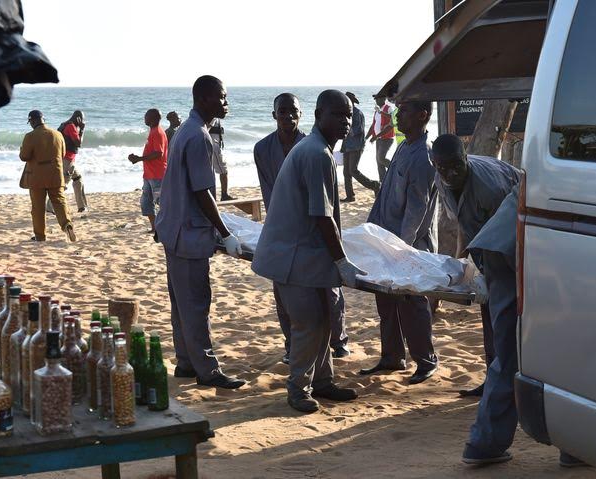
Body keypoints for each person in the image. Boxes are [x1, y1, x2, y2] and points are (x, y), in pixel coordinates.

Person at [251, 90, 363, 413]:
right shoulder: (317, 154)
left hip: (303, 254)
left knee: (325, 319)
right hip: (292, 256)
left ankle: (324, 382)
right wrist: (342, 262)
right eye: (337, 115)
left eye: (349, 116)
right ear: (318, 115)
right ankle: (298, 388)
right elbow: (322, 216)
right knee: (309, 322)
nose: (345, 122)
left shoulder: (316, 149)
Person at [461, 188, 585, 469]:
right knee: (565, 347)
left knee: (508, 352)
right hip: (527, 245)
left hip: (498, 244)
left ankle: (484, 442)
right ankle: (575, 444)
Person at [155, 75, 245, 390]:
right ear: (204, 99)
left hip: (173, 230)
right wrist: (225, 233)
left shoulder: (186, 131)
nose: (226, 102)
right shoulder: (199, 136)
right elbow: (203, 192)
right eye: (222, 97)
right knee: (195, 303)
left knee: (181, 302)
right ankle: (207, 370)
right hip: (188, 234)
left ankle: (185, 361)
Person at [432, 134, 520, 397]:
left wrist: (491, 275)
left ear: (466, 158)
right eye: (443, 167)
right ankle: (493, 380)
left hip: (515, 243)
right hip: (489, 245)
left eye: (456, 165)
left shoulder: (490, 189)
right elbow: (465, 223)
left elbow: (509, 236)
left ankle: (508, 384)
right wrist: (463, 265)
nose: (451, 173)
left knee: (505, 316)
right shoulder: (440, 177)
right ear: (435, 164)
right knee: (489, 316)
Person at [360, 101, 439, 384]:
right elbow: (384, 195)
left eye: (404, 111)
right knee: (386, 300)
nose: (398, 115)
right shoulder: (405, 146)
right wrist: (372, 230)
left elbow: (417, 210)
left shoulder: (423, 156)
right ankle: (392, 357)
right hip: (386, 237)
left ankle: (426, 360)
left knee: (411, 302)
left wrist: (400, 249)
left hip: (408, 243)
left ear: (423, 115)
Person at [19, 110, 76, 242]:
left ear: (32, 121)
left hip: (36, 177)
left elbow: (24, 156)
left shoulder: (30, 136)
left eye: (30, 122)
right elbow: (62, 154)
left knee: (38, 207)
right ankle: (67, 225)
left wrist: (22, 150)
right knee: (60, 202)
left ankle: (40, 236)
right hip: (56, 175)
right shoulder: (57, 134)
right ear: (43, 119)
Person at [128, 109, 168, 233]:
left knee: (161, 203)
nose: (144, 118)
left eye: (146, 116)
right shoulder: (152, 131)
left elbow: (158, 153)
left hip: (157, 174)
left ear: (153, 118)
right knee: (146, 201)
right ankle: (155, 227)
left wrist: (140, 158)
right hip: (149, 174)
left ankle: (165, 228)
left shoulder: (157, 132)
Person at [46, 110, 89, 215]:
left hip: (64, 159)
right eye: (82, 120)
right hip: (67, 160)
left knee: (78, 179)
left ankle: (82, 207)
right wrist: (82, 129)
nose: (83, 122)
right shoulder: (71, 127)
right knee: (62, 184)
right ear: (78, 119)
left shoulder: (63, 125)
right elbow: (78, 143)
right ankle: (49, 207)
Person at [340, 92, 380, 202]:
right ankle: (350, 195)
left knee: (353, 170)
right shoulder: (347, 113)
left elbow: (358, 130)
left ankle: (374, 185)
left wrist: (345, 129)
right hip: (347, 145)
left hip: (356, 146)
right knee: (346, 172)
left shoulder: (357, 113)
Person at [365, 95, 396, 182]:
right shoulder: (376, 111)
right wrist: (366, 137)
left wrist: (380, 112)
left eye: (378, 98)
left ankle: (395, 170)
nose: (376, 100)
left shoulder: (388, 108)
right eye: (375, 99)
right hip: (378, 139)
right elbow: (373, 125)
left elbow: (392, 119)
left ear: (384, 99)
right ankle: (383, 182)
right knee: (379, 162)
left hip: (387, 138)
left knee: (381, 158)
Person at [209, 118, 233, 201]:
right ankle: (224, 195)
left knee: (214, 171)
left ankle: (217, 195)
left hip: (215, 144)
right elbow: (207, 127)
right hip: (214, 145)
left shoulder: (215, 117)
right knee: (223, 170)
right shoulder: (213, 117)